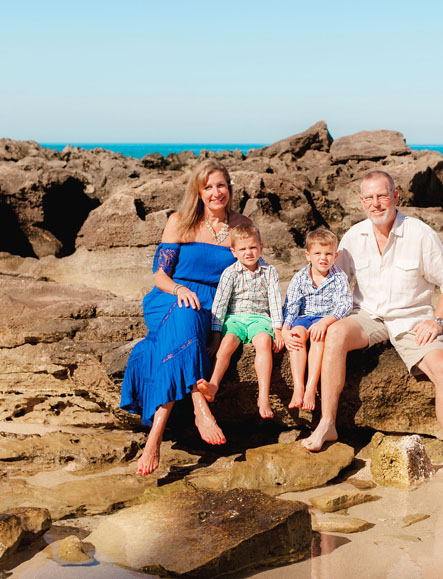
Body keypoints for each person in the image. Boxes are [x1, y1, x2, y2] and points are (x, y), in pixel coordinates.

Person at [301, 169, 443, 479]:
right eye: (368, 198)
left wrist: (438, 321)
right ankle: (327, 424)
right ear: (362, 202)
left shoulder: (420, 234)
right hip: (367, 316)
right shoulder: (354, 236)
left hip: (412, 319)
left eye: (381, 196)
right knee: (335, 333)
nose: (375, 203)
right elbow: (329, 279)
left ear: (395, 196)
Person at [120, 159, 250, 476]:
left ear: (230, 189)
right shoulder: (180, 221)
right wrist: (179, 289)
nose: (215, 192)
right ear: (198, 191)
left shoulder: (240, 225)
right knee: (185, 315)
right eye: (208, 187)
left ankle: (154, 439)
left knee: (180, 335)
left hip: (211, 303)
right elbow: (160, 276)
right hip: (170, 297)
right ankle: (199, 406)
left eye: (221, 185)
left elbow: (252, 267)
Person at [196, 224, 285, 419]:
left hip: (260, 318)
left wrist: (277, 329)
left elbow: (275, 301)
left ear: (261, 247)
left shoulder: (270, 272)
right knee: (227, 344)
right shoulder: (230, 273)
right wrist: (216, 336)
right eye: (243, 249)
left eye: (252, 247)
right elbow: (220, 303)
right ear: (234, 252)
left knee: (263, 342)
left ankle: (263, 396)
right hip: (234, 318)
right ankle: (213, 385)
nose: (248, 253)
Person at [281, 228, 352, 411]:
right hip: (303, 318)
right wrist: (286, 328)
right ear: (308, 255)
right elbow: (291, 306)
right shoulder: (300, 277)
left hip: (325, 319)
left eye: (328, 254)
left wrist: (326, 321)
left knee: (318, 337)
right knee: (297, 337)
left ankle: (311, 387)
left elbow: (344, 305)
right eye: (318, 253)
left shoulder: (339, 277)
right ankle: (299, 387)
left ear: (335, 256)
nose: (323, 258)